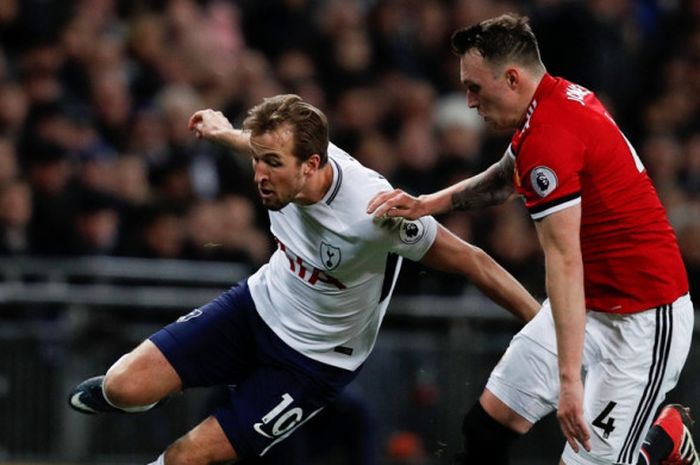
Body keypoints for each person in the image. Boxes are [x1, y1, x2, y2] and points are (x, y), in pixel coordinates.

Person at [67, 94, 540, 465]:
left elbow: (475, 262)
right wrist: (221, 131)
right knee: (120, 388)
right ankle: (142, 393)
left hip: (313, 362)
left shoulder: (374, 211)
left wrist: (541, 328)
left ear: (311, 165)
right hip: (256, 308)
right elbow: (256, 144)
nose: (260, 175)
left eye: (272, 163)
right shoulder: (284, 164)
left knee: (188, 456)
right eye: (258, 159)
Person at [367, 13, 697, 465]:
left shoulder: (550, 134)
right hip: (590, 304)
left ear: (512, 77)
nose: (468, 102)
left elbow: (564, 261)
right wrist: (428, 203)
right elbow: (506, 177)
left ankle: (665, 439)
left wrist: (568, 382)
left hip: (642, 322)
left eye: (475, 88)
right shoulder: (552, 101)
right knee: (486, 426)